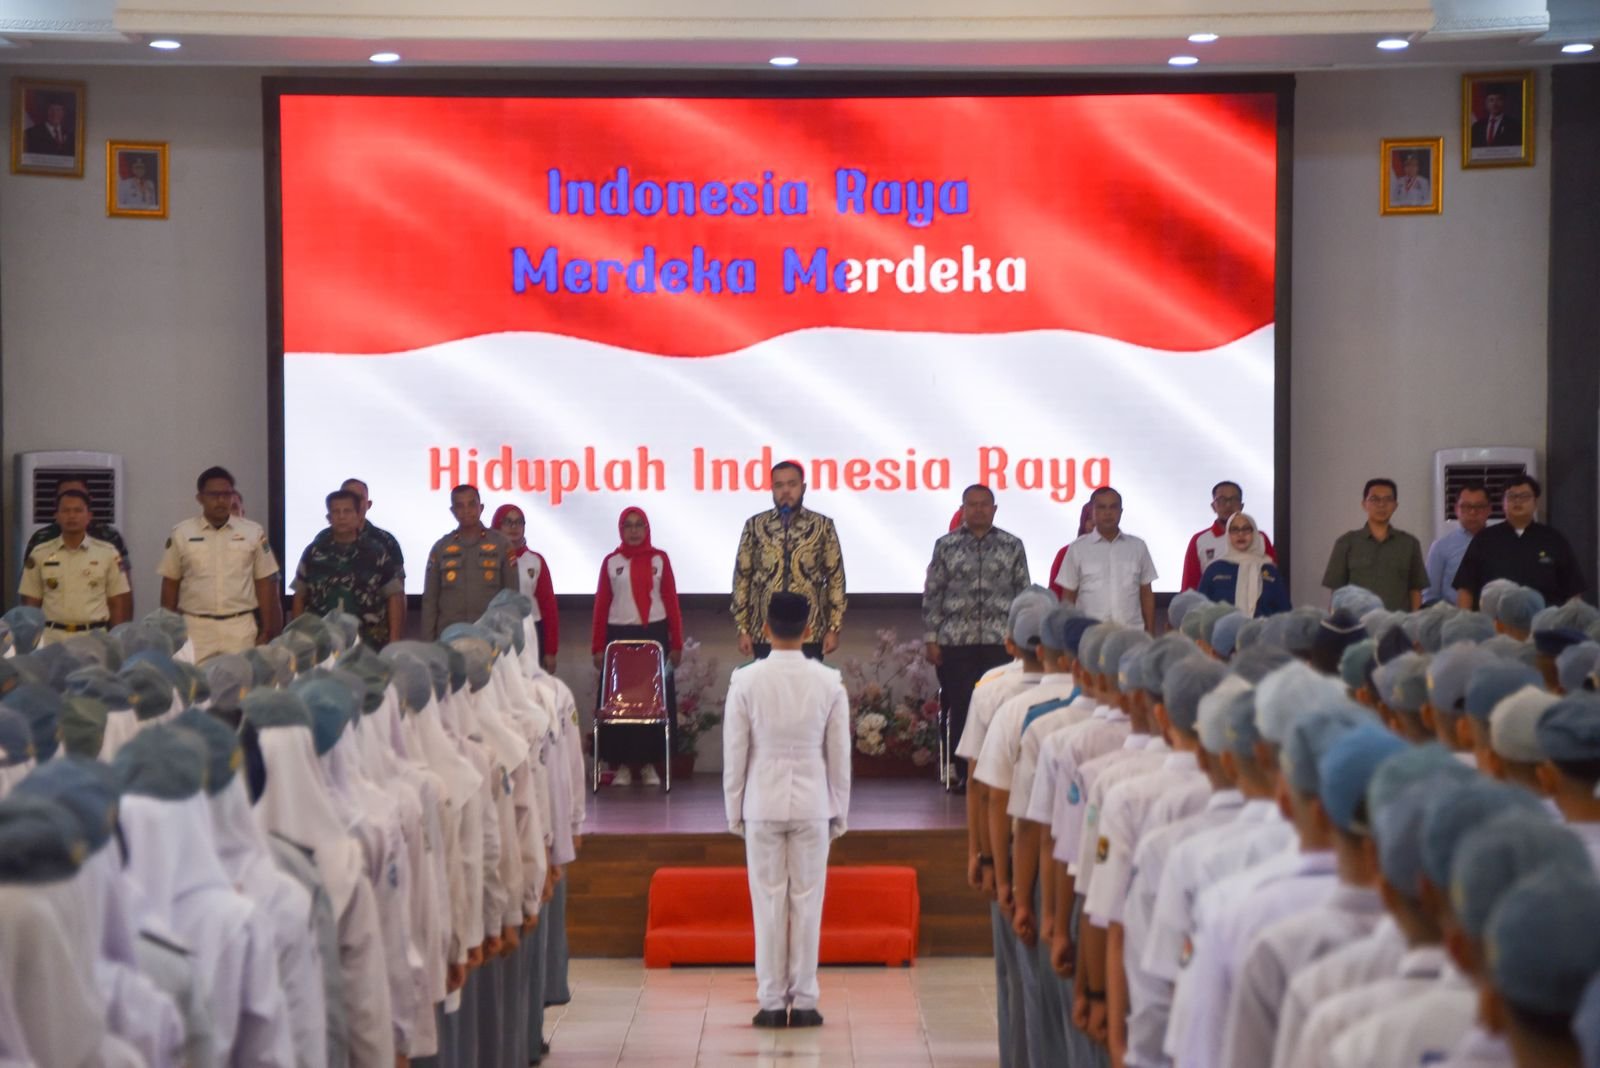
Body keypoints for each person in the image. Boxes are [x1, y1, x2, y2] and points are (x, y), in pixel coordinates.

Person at [722, 592, 851, 1028]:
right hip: (814, 802)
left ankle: (773, 1002)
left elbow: (735, 750)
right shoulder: (829, 681)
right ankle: (807, 999)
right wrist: (840, 809)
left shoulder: (745, 680)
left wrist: (734, 807)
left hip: (761, 799)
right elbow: (839, 754)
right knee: (809, 902)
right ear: (810, 629)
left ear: (765, 628)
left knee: (768, 903)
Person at [923, 484, 1032, 790]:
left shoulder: (1012, 545)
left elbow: (1024, 594)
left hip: (1001, 641)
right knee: (963, 707)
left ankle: (999, 774)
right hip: (956, 641)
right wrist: (931, 638)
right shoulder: (946, 546)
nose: (979, 509)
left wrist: (1022, 640)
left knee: (1001, 707)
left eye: (985, 504)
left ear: (994, 509)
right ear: (963, 509)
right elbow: (933, 593)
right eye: (972, 504)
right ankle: (964, 774)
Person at [591, 506, 684, 787]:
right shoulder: (611, 561)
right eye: (628, 526)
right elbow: (601, 605)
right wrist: (597, 646)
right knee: (620, 703)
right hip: (619, 635)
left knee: (652, 702)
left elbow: (671, 601)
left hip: (653, 634)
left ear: (646, 529)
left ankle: (648, 765)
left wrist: (676, 643)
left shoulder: (659, 559)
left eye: (638, 525)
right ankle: (620, 765)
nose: (633, 531)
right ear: (621, 530)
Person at [158, 465, 281, 660]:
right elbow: (170, 582)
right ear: (200, 498)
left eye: (227, 494)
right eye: (214, 495)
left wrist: (267, 629)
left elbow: (264, 581)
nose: (221, 500)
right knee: (194, 679)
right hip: (196, 627)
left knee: (241, 678)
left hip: (240, 626)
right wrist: (168, 629)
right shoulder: (182, 533)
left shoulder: (253, 532)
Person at [730, 461, 846, 661]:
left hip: (810, 631)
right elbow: (742, 578)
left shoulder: (822, 526)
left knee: (808, 682)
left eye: (792, 484)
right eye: (779, 485)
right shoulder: (755, 526)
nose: (785, 491)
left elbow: (836, 578)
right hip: (764, 632)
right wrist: (743, 628)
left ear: (803, 487)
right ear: (772, 489)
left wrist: (834, 627)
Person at [290, 489, 405, 649]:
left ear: (359, 516)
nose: (342, 517)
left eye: (347, 511)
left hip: (368, 642)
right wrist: (299, 635)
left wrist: (394, 640)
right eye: (336, 512)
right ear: (329, 518)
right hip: (322, 641)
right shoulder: (314, 552)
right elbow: (300, 595)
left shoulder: (377, 553)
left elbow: (393, 596)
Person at [1454, 476, 1586, 611]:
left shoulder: (1554, 539)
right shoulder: (1483, 539)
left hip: (1546, 620)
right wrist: (1465, 619)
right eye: (1511, 497)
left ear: (1535, 502)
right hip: (1493, 621)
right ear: (1503, 503)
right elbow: (1466, 588)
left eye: (1524, 496)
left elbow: (1573, 591)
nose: (1517, 501)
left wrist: (1570, 619)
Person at [18, 487, 132, 642]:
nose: (71, 516)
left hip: (94, 638)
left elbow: (117, 602)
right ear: (57, 516)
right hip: (52, 638)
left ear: (89, 516)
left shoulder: (108, 554)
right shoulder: (40, 554)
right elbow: (31, 604)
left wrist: (117, 642)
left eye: (78, 510)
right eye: (65, 511)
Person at [420, 484, 518, 640]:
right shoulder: (441, 548)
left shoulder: (502, 545)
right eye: (460, 506)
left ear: (481, 508)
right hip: (449, 639)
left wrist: (509, 640)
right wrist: (428, 643)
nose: (466, 510)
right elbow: (430, 601)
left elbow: (512, 597)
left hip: (491, 638)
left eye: (471, 504)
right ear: (453, 511)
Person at [1053, 486, 1158, 632]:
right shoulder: (1077, 549)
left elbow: (1146, 594)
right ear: (1093, 512)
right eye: (1102, 507)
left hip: (1131, 635)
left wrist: (1150, 632)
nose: (1108, 513)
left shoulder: (1138, 546)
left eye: (1113, 507)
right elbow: (1068, 598)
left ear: (1121, 511)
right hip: (1089, 636)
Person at [1321, 478, 1428, 611]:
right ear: (1364, 504)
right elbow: (1337, 593)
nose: (1381, 504)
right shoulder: (1346, 542)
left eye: (1388, 499)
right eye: (1374, 499)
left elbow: (1415, 590)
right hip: (1358, 622)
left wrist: (1416, 621)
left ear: (1395, 505)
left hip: (1397, 622)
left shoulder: (1409, 544)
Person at [24, 475, 133, 585]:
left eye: (78, 495)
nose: (72, 500)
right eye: (66, 496)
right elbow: (29, 585)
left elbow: (124, 584)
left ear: (89, 500)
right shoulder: (41, 538)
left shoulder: (109, 536)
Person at [492, 502, 559, 672]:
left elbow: (548, 607)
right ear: (497, 525)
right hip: (496, 632)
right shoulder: (487, 559)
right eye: (508, 522)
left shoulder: (535, 560)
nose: (514, 527)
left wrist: (550, 650)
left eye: (519, 522)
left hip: (531, 632)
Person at [1181, 482, 1276, 591]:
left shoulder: (1260, 538)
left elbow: (1273, 580)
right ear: (1213, 506)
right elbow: (1189, 589)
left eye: (1234, 500)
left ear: (1241, 506)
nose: (1228, 505)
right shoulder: (1200, 540)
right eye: (1222, 500)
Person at [1195, 511, 1291, 617]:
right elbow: (1199, 611)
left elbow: (1285, 613)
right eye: (1234, 529)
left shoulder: (1269, 571)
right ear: (1228, 535)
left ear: (1254, 533)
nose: (1241, 534)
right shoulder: (1214, 570)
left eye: (1246, 529)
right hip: (1223, 628)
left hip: (1262, 627)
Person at [310, 477, 406, 576]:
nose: (353, 502)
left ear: (368, 504)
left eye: (359, 498)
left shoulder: (385, 541)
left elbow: (397, 582)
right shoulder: (323, 538)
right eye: (348, 497)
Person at [1423, 482, 1491, 605]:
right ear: (1456, 509)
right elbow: (1429, 596)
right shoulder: (1441, 547)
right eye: (1465, 507)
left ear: (1489, 510)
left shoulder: (1500, 543)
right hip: (1452, 614)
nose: (1472, 512)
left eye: (1479, 506)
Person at [1470, 84, 1522, 148]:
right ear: (1486, 103)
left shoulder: (1514, 126)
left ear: (1504, 102)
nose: (1495, 104)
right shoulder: (1477, 127)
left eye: (1499, 99)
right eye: (1491, 100)